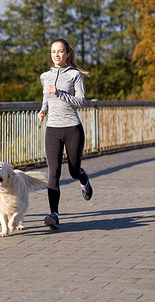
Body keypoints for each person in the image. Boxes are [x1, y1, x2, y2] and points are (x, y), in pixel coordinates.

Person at [37, 38, 93, 230]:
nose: (57, 55)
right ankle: (54, 214)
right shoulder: (45, 76)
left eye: (60, 51)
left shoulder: (75, 75)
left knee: (73, 170)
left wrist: (60, 93)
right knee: (54, 172)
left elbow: (80, 102)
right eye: (53, 51)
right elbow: (46, 98)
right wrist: (43, 110)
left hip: (72, 128)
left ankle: (83, 178)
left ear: (67, 53)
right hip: (52, 129)